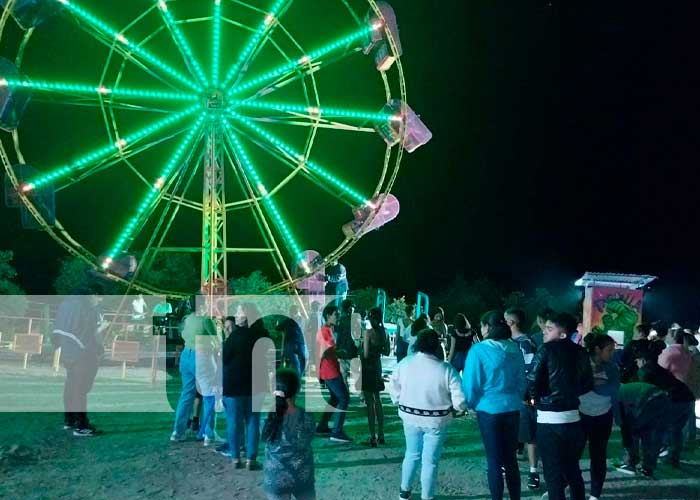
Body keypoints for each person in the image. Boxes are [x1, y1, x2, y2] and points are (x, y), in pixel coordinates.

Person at [389, 329, 467, 500]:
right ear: (437, 345)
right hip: (436, 421)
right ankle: (427, 496)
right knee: (430, 461)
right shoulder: (446, 369)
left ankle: (404, 492)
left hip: (409, 417)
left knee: (411, 454)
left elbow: (393, 389)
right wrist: (457, 409)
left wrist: (399, 402)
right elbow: (460, 399)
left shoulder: (405, 363)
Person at [526, 312, 593, 500]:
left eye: (549, 329)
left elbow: (532, 380)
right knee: (573, 471)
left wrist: (534, 399)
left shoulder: (545, 350)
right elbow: (588, 384)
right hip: (574, 419)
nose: (544, 332)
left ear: (563, 334)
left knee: (553, 475)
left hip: (549, 420)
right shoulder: (581, 352)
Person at [463, 311, 525, 500]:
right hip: (512, 409)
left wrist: (471, 404)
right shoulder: (515, 349)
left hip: (489, 410)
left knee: (494, 461)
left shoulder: (478, 350)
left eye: (482, 326)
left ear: (487, 327)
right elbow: (522, 382)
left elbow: (471, 383)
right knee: (511, 460)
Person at [53, 283, 107, 436]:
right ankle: (81, 425)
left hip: (67, 351)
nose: (100, 301)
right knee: (80, 389)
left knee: (71, 385)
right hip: (82, 353)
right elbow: (87, 333)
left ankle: (69, 420)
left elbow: (60, 329)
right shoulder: (86, 308)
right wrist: (98, 346)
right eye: (99, 297)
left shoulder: (66, 305)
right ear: (92, 295)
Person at [221, 305, 269, 469]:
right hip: (257, 383)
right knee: (253, 420)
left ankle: (235, 458)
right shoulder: (263, 334)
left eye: (239, 312)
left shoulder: (234, 337)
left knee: (234, 420)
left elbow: (225, 359)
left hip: (234, 384)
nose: (236, 314)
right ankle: (251, 459)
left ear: (245, 316)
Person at [635, 343, 695, 469]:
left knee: (657, 431)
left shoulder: (645, 371)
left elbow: (645, 392)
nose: (637, 363)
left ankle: (649, 464)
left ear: (643, 360)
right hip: (688, 399)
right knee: (675, 430)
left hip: (675, 401)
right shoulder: (659, 368)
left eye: (638, 360)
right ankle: (673, 459)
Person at [262, 368, 316, 500]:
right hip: (302, 476)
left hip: (275, 478)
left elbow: (265, 439)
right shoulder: (306, 416)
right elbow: (309, 437)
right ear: (298, 390)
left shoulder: (267, 417)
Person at [171, 295, 217, 441]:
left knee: (186, 395)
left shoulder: (187, 319)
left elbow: (183, 334)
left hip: (186, 355)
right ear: (203, 303)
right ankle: (208, 433)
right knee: (209, 395)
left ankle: (177, 432)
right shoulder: (206, 320)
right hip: (202, 357)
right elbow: (216, 341)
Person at [579, 333, 619, 500]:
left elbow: (612, 389)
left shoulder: (612, 367)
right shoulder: (581, 364)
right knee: (573, 453)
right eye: (609, 350)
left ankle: (595, 494)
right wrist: (594, 383)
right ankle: (564, 483)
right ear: (597, 349)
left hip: (603, 415)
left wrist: (593, 384)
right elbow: (577, 386)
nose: (612, 354)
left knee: (598, 455)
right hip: (580, 414)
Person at [504, 308, 540, 490]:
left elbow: (530, 373)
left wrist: (526, 396)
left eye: (504, 321)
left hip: (522, 399)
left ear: (511, 323)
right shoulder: (508, 342)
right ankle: (508, 465)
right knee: (511, 434)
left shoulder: (525, 343)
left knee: (529, 435)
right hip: (510, 398)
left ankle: (533, 471)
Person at [616, 381, 670, 477]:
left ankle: (631, 463)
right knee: (647, 434)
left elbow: (624, 423)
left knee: (633, 432)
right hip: (662, 399)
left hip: (649, 400)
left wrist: (626, 439)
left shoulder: (615, 397)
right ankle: (647, 467)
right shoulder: (623, 389)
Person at [316, 304, 352, 443]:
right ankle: (337, 431)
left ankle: (322, 426)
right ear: (328, 316)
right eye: (336, 314)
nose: (338, 317)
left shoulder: (327, 330)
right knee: (344, 398)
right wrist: (338, 352)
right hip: (330, 369)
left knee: (335, 399)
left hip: (328, 369)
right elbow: (325, 351)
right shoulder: (325, 331)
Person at [361, 307, 388, 447]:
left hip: (367, 368)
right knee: (378, 400)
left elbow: (365, 354)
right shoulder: (384, 332)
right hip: (377, 367)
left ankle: (372, 436)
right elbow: (388, 351)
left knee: (369, 403)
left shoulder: (368, 333)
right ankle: (381, 434)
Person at [335, 299, 359, 389]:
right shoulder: (355, 319)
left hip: (343, 351)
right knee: (356, 374)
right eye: (352, 307)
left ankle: (346, 393)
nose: (353, 309)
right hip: (352, 350)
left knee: (344, 374)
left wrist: (337, 348)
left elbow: (339, 336)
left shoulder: (341, 320)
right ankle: (362, 396)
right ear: (349, 308)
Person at [278, 314, 308, 378]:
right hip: (292, 342)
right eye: (294, 312)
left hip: (300, 342)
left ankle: (299, 377)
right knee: (296, 362)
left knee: (303, 359)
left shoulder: (301, 319)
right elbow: (278, 328)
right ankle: (298, 378)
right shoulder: (288, 320)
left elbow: (306, 330)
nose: (295, 315)